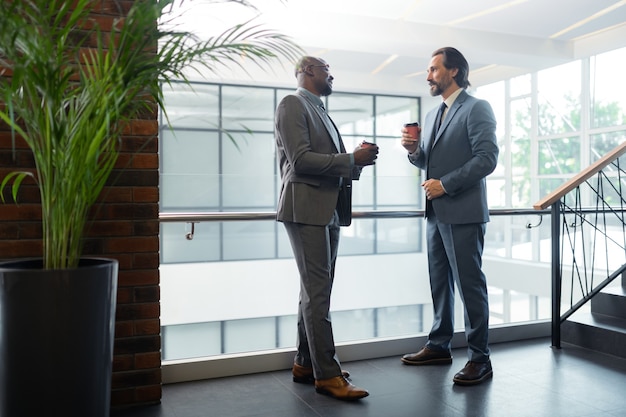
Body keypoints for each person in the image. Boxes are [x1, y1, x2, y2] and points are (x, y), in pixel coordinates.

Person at [275, 56, 379, 400]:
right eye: (326, 70)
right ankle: (327, 375)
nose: (331, 75)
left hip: (328, 209)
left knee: (315, 291)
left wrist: (355, 159)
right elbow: (300, 160)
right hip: (306, 208)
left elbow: (325, 162)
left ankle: (307, 362)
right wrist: (351, 159)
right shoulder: (292, 103)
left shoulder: (319, 109)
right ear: (307, 71)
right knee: (318, 292)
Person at [399, 47, 499, 386]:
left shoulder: (476, 108)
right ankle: (439, 345)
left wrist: (446, 184)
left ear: (453, 71)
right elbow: (427, 160)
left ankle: (479, 358)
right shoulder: (432, 115)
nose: (428, 76)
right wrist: (414, 152)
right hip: (435, 213)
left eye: (433, 69)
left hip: (463, 212)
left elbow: (487, 159)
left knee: (470, 286)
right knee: (439, 283)